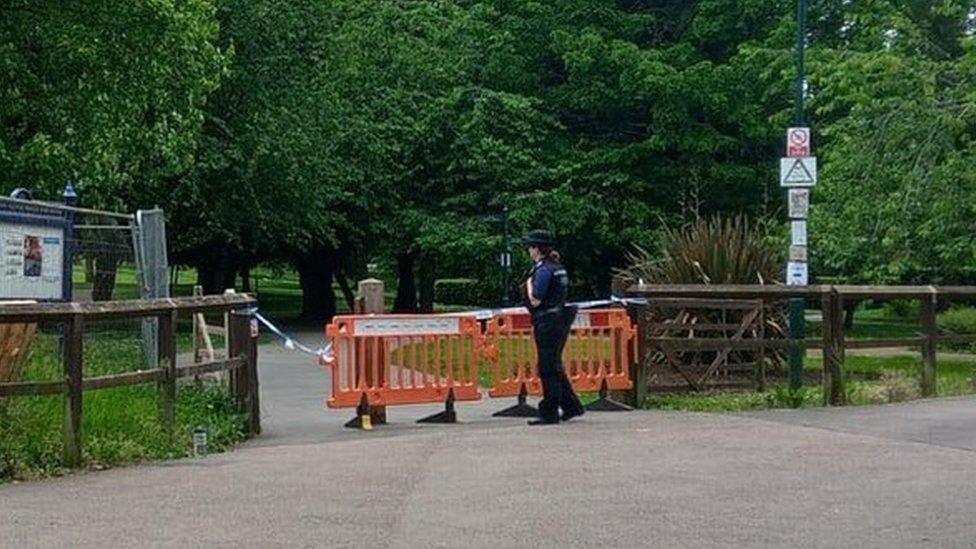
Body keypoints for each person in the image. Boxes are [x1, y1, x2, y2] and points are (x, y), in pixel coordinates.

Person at [522, 229, 585, 426]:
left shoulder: (542, 270)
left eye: (530, 247)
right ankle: (571, 405)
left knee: (547, 367)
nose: (529, 251)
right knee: (554, 364)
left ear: (537, 249)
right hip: (559, 319)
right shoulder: (558, 267)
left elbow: (536, 298)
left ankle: (549, 412)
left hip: (547, 322)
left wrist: (528, 284)